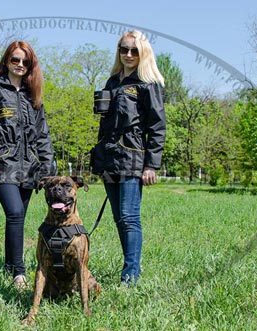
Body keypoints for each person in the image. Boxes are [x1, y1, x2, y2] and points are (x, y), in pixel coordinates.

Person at [0, 41, 55, 289]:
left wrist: (48, 165)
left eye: (25, 61)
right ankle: (19, 273)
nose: (20, 65)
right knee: (15, 213)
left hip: (29, 166)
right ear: (6, 61)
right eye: (15, 60)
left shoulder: (34, 95)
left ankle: (10, 266)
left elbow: (43, 134)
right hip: (2, 163)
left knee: (17, 218)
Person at [91, 30, 166, 286]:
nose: (128, 55)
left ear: (143, 52)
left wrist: (152, 165)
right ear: (118, 50)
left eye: (134, 50)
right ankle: (129, 268)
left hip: (134, 156)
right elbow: (104, 125)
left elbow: (157, 126)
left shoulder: (148, 83)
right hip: (110, 157)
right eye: (124, 49)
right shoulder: (112, 81)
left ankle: (131, 275)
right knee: (118, 218)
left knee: (129, 216)